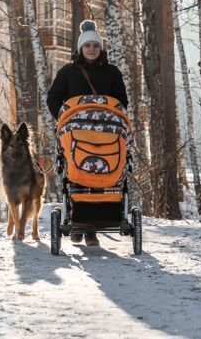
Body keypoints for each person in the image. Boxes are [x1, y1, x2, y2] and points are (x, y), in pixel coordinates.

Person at [45, 20, 129, 246]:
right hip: (76, 132)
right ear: (80, 48)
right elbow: (53, 98)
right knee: (77, 172)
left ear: (100, 48)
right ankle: (78, 222)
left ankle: (91, 228)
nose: (91, 49)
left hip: (107, 134)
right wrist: (63, 118)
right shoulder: (68, 72)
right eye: (87, 45)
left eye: (95, 45)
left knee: (102, 173)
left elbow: (122, 101)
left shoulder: (112, 73)